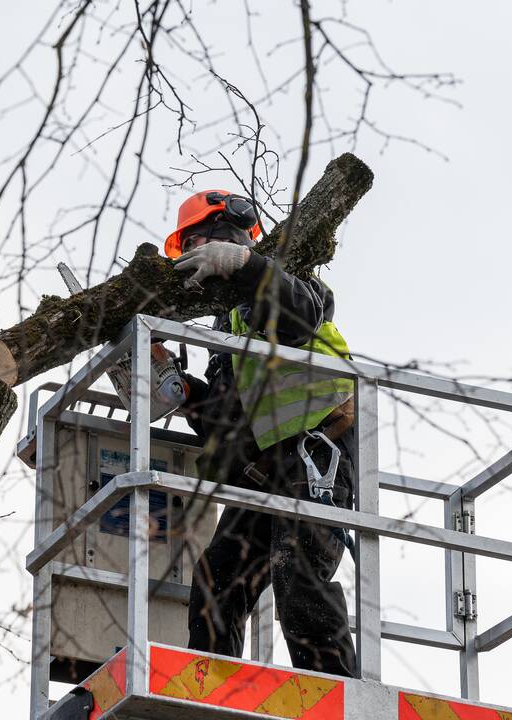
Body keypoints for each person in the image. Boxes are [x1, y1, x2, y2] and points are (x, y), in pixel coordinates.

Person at [166, 189, 358, 678]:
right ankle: (215, 691)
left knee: (298, 575)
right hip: (265, 473)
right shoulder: (225, 331)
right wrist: (180, 387)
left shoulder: (296, 284)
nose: (193, 255)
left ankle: (334, 697)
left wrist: (247, 266)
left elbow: (301, 313)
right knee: (218, 578)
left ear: (223, 236)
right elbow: (228, 423)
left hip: (319, 455)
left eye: (196, 242)